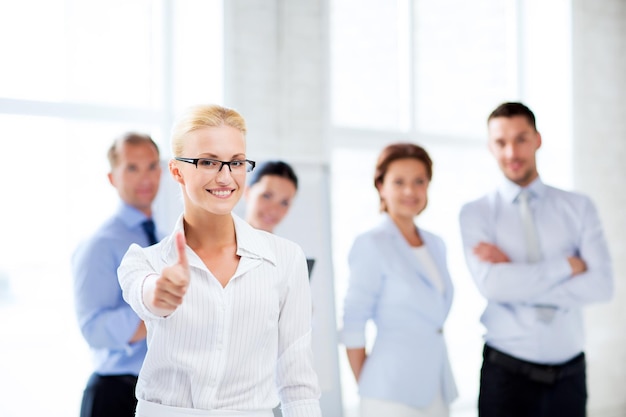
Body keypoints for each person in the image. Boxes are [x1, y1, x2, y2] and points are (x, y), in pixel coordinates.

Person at [117, 104, 322, 417]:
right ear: (176, 171)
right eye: (208, 161)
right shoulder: (145, 261)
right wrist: (159, 294)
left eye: (236, 162)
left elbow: (297, 381)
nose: (226, 177)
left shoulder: (286, 259)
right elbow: (147, 296)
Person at [459, 102, 613, 417]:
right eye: (501, 142)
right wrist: (566, 267)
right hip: (505, 375)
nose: (511, 152)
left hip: (569, 377)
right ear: (490, 146)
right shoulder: (476, 213)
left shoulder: (578, 207)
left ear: (537, 139)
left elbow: (601, 286)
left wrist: (517, 281)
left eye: (521, 139)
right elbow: (493, 288)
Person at [341, 143, 458, 417]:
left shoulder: (436, 244)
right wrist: (370, 384)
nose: (410, 191)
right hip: (390, 392)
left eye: (419, 181)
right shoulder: (371, 243)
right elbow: (353, 323)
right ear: (381, 186)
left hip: (437, 386)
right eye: (399, 182)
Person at [72, 132, 163, 417]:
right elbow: (94, 330)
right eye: (132, 168)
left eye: (151, 166)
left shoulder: (162, 238)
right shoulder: (100, 243)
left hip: (155, 395)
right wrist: (160, 312)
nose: (145, 178)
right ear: (113, 177)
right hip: (115, 394)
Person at [244, 160, 298, 234]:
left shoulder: (286, 245)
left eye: (284, 203)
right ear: (247, 192)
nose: (273, 211)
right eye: (266, 196)